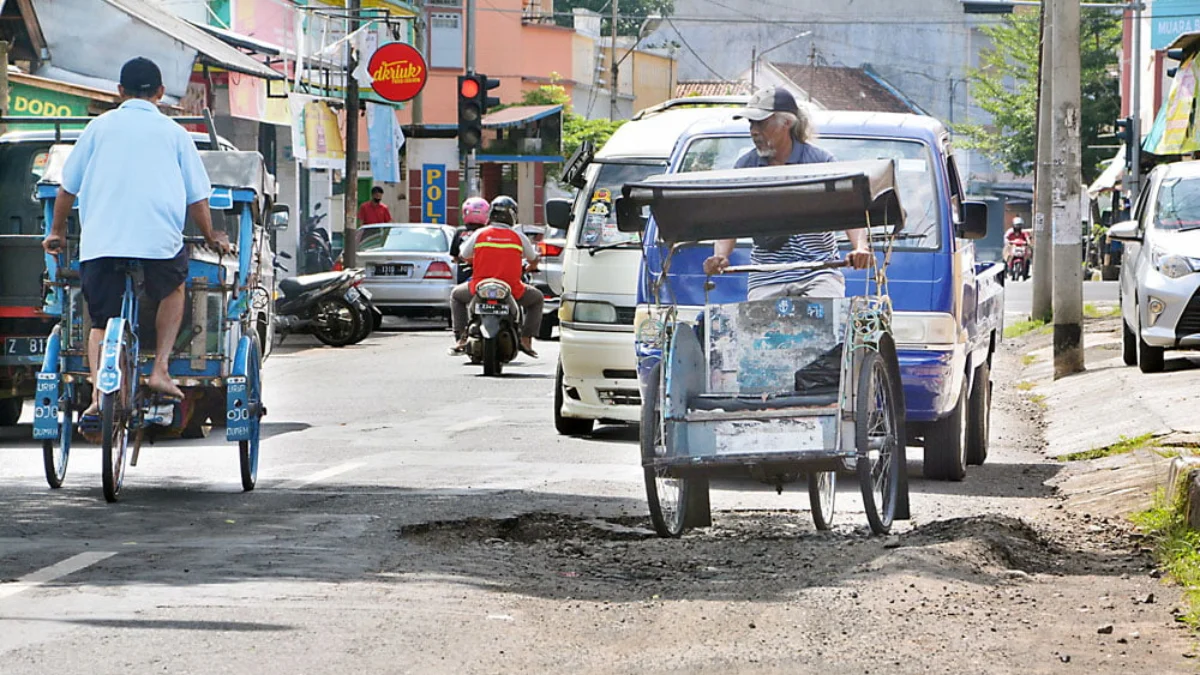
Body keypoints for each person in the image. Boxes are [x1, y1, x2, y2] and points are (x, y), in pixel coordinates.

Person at [41, 57, 230, 423]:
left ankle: (99, 393)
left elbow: (67, 188)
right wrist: (212, 235)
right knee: (174, 288)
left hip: (101, 243)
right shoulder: (174, 133)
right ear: (160, 93)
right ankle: (159, 368)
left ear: (120, 92)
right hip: (158, 243)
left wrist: (57, 232)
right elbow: (197, 199)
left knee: (100, 321)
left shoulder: (98, 128)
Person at [702, 87, 873, 299]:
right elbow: (730, 220)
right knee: (756, 328)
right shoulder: (746, 167)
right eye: (751, 124)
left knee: (828, 322)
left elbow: (849, 211)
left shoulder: (821, 162)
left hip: (818, 272)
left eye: (761, 123)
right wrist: (720, 256)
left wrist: (860, 248)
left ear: (787, 123)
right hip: (766, 276)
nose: (754, 131)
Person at [448, 196, 544, 358]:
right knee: (537, 298)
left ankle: (462, 337)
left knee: (456, 296)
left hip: (479, 286)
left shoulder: (480, 234)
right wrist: (530, 267)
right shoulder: (518, 236)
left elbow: (463, 254)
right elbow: (533, 258)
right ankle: (526, 339)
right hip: (512, 288)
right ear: (512, 215)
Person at [450, 196, 491, 283]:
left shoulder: (459, 231)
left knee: (456, 295)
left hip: (464, 276)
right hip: (486, 275)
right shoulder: (489, 232)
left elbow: (454, 256)